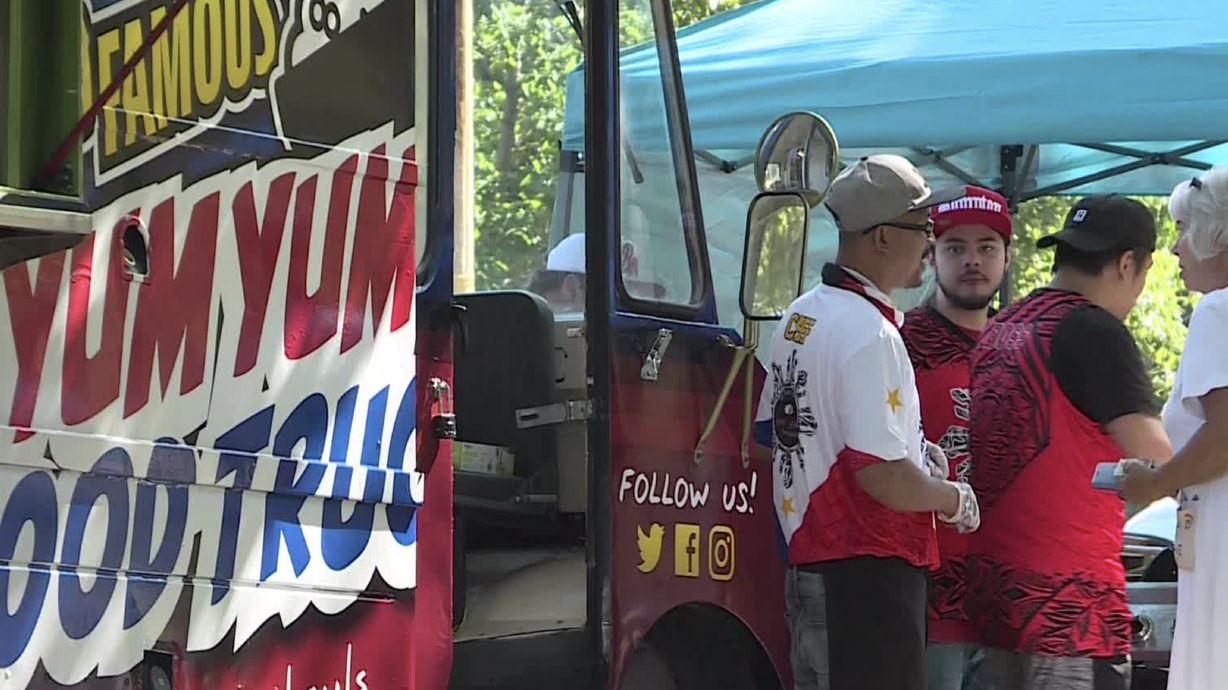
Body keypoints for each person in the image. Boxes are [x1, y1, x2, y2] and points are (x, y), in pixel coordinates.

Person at [754, 155, 981, 690]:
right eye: (922, 228)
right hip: (866, 580)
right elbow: (881, 478)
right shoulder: (870, 334)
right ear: (881, 237)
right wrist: (954, 498)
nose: (931, 242)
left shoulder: (801, 315)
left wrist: (916, 452)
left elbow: (770, 439)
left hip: (810, 574)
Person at [965, 195, 1173, 690]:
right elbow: (1158, 459)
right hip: (1069, 608)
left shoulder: (1003, 326)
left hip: (995, 595)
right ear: (1128, 264)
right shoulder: (1094, 331)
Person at [899, 186, 1012, 690]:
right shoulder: (899, 344)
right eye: (955, 247)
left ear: (1007, 256)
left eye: (987, 247)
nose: (973, 261)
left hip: (1004, 602)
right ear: (931, 255)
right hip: (923, 600)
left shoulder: (1020, 348)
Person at [1120, 170, 1228, 690]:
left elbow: (1224, 437)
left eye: (1184, 229)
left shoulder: (1217, 310)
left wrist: (1153, 483)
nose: (1175, 248)